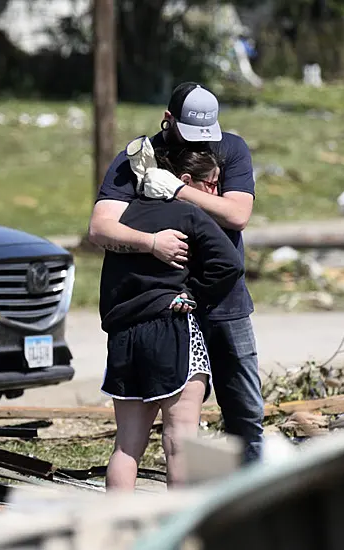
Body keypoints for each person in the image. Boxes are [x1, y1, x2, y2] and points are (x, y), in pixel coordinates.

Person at [89, 82, 264, 464]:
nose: (200, 147)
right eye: (190, 136)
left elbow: (238, 214)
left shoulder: (231, 149)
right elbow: (102, 228)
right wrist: (151, 243)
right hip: (165, 308)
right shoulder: (136, 159)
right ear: (168, 120)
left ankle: (250, 499)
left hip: (224, 303)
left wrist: (179, 192)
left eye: (207, 137)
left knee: (246, 413)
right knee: (175, 429)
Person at [100, 138, 244, 490]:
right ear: (184, 180)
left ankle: (115, 539)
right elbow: (230, 264)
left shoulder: (127, 217)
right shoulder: (188, 213)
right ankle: (179, 536)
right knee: (180, 442)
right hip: (172, 329)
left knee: (126, 446)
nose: (215, 192)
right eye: (211, 184)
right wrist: (192, 294)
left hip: (124, 336)